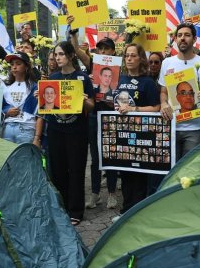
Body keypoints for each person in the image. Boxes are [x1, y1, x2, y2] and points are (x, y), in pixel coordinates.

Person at [45, 41, 94, 225]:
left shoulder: (82, 78)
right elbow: (47, 105)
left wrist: (84, 101)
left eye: (61, 54)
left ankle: (76, 211)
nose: (57, 58)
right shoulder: (53, 77)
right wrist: (41, 98)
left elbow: (91, 105)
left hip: (77, 132)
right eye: (55, 54)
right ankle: (61, 208)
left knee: (76, 169)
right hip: (56, 130)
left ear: (71, 55)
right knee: (58, 170)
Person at [111, 43, 160, 221]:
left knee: (140, 175)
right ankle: (126, 211)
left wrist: (134, 109)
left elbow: (156, 108)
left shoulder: (148, 82)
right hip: (123, 133)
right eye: (127, 55)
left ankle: (137, 214)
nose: (129, 59)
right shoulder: (119, 79)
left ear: (141, 59)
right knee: (125, 173)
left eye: (133, 55)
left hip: (142, 134)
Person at [159, 23, 200, 161]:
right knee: (171, 167)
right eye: (179, 35)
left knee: (189, 168)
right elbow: (163, 91)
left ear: (194, 39)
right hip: (171, 126)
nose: (182, 38)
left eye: (187, 35)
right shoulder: (167, 62)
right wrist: (163, 104)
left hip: (195, 129)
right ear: (175, 39)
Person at [87, 37, 119, 211]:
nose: (103, 52)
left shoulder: (119, 71)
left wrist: (114, 102)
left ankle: (112, 193)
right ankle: (95, 193)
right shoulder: (93, 69)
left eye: (107, 48)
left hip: (111, 117)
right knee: (95, 158)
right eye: (100, 49)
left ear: (113, 51)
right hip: (94, 118)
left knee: (110, 156)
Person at [0, 52, 42, 145]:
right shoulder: (4, 87)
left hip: (26, 128)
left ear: (26, 66)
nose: (14, 67)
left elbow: (40, 115)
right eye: (12, 64)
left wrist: (37, 137)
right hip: (7, 128)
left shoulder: (35, 87)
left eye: (18, 64)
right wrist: (7, 111)